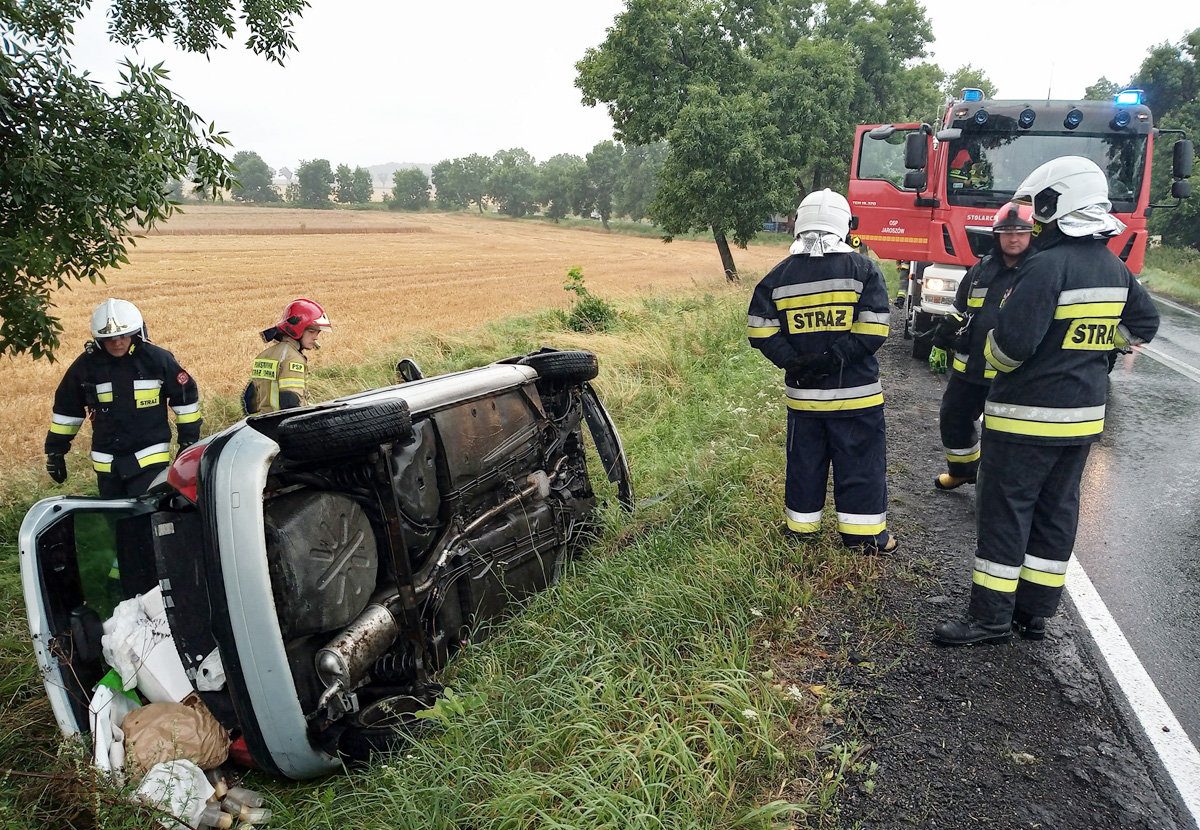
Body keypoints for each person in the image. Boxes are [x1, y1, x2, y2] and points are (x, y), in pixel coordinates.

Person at [933, 157, 1160, 646]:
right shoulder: (1115, 269)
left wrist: (991, 349)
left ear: (1060, 204)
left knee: (1005, 513)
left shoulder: (1045, 266)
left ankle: (990, 618)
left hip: (1026, 421)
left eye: (1041, 208)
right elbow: (1144, 325)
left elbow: (1011, 347)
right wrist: (1096, 347)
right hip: (1081, 422)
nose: (1034, 220)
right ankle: (1033, 614)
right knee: (1056, 512)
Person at [748, 188, 896, 553]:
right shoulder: (864, 270)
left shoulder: (778, 276)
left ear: (799, 226)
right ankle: (864, 539)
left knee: (804, 466)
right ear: (845, 226)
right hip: (857, 398)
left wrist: (794, 361)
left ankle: (800, 531)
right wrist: (836, 357)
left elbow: (759, 329)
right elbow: (875, 327)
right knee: (860, 466)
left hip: (804, 400)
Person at [45, 299, 202, 498]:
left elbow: (185, 398)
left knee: (147, 521)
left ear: (136, 333)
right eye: (110, 338)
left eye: (123, 336)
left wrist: (188, 443)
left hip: (149, 461)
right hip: (108, 467)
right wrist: (55, 451)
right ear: (98, 339)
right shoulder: (85, 367)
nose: (117, 343)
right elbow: (66, 410)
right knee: (117, 524)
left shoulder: (156, 360)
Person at [930, 202, 1035, 490]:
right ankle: (963, 470)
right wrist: (940, 339)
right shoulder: (981, 269)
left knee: (1004, 434)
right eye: (1007, 232)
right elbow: (959, 309)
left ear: (1032, 234)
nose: (1014, 238)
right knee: (953, 417)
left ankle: (997, 488)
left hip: (1012, 375)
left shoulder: (1039, 271)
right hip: (970, 368)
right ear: (996, 235)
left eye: (1021, 232)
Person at [243, 298, 331, 414]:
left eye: (317, 332)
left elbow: (250, 399)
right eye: (311, 331)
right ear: (297, 330)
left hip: (262, 425)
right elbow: (290, 401)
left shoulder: (263, 355)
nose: (315, 337)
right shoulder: (293, 359)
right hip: (282, 426)